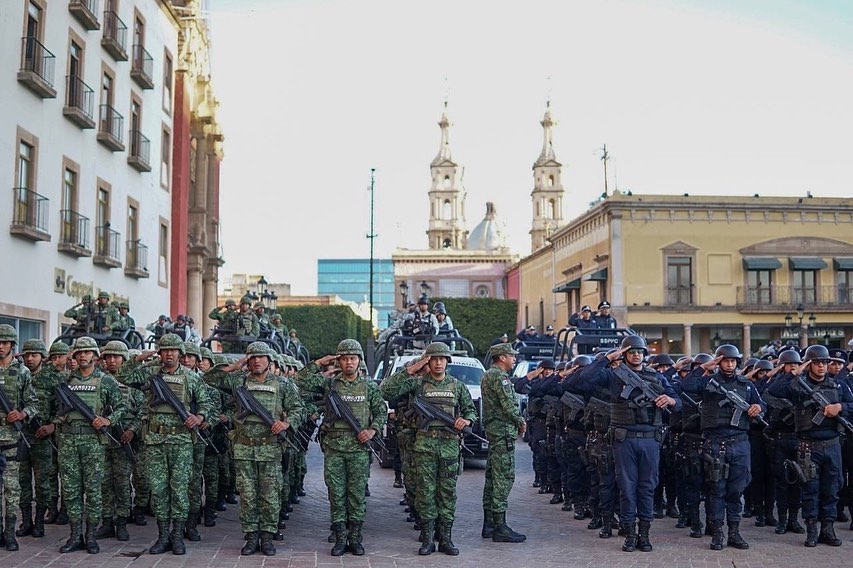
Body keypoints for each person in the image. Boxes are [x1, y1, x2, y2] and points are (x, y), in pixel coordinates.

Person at [572, 335, 679, 553]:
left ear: (645, 355)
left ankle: (645, 534)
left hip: (650, 439)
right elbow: (581, 380)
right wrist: (607, 359)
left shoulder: (656, 377)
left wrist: (671, 400)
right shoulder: (613, 376)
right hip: (624, 439)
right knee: (627, 488)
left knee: (647, 488)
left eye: (639, 351)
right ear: (624, 354)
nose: (636, 355)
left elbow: (678, 402)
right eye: (631, 351)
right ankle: (630, 534)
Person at [115, 333, 213, 555]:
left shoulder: (191, 377)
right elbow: (123, 376)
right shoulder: (150, 374)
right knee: (158, 490)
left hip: (181, 442)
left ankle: (177, 536)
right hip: (155, 442)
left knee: (179, 489)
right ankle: (162, 536)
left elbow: (206, 404)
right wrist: (138, 358)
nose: (169, 353)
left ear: (180, 353)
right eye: (165, 350)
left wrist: (198, 417)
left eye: (173, 350)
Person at [207, 342, 305, 556]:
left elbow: (298, 409)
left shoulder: (283, 384)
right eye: (252, 357)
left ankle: (267, 537)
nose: (256, 361)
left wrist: (287, 423)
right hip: (244, 450)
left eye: (261, 357)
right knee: (248, 496)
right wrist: (234, 366)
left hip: (270, 449)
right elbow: (209, 378)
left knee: (270, 496)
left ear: (269, 361)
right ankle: (251, 537)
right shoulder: (239, 381)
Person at [380, 342, 477, 555]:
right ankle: (428, 539)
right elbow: (386, 390)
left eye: (442, 359)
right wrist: (412, 369)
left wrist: (466, 420)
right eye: (434, 359)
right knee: (426, 493)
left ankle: (446, 539)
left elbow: (471, 411)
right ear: (428, 361)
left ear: (447, 362)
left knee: (447, 494)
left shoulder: (457, 386)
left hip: (450, 446)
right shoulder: (417, 384)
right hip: (424, 447)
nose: (439, 362)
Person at [296, 340, 386, 556]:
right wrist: (319, 363)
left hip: (358, 448)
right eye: (344, 358)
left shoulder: (369, 387)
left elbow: (381, 411)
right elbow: (301, 380)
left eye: (352, 358)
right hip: (334, 447)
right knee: (336, 494)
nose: (348, 362)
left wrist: (372, 430)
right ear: (339, 361)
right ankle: (340, 537)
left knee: (356, 495)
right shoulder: (330, 384)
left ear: (359, 361)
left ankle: (354, 538)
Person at [766, 344, 853, 547]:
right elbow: (771, 392)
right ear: (809, 364)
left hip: (832, 444)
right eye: (817, 363)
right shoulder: (797, 385)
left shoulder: (837, 386)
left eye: (824, 362)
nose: (822, 366)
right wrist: (794, 372)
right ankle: (812, 529)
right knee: (810, 489)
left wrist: (840, 407)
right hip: (808, 446)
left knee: (831, 488)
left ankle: (827, 529)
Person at [681, 344, 766, 551]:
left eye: (733, 361)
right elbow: (685, 386)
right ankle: (717, 533)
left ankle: (734, 533)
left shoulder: (745, 384)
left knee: (736, 491)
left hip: (740, 442)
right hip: (715, 443)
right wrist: (705, 367)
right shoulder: (708, 382)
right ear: (719, 362)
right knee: (716, 489)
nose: (730, 364)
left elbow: (762, 403)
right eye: (726, 360)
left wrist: (758, 407)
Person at [48, 336, 126, 554]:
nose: (82, 355)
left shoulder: (105, 380)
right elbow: (54, 407)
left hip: (93, 442)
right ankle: (75, 536)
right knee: (71, 490)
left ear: (94, 355)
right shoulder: (65, 380)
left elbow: (121, 407)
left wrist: (108, 420)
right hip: (68, 441)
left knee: (93, 490)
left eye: (87, 352)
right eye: (79, 352)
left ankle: (91, 536)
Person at [94, 341, 143, 543]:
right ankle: (107, 522)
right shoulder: (98, 380)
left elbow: (143, 411)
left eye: (116, 357)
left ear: (124, 359)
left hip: (124, 441)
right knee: (104, 483)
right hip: (102, 440)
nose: (112, 360)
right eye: (108, 357)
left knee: (122, 483)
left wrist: (132, 430)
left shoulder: (132, 383)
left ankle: (122, 522)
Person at [16, 339, 64, 540]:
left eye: (34, 355)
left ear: (43, 357)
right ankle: (26, 521)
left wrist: (52, 426)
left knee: (43, 482)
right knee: (22, 481)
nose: (29, 358)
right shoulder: (18, 376)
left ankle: (39, 521)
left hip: (42, 436)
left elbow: (62, 407)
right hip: (19, 435)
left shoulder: (52, 379)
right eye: (27, 355)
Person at [480, 343, 527, 543]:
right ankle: (500, 526)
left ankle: (489, 524)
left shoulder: (487, 375)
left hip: (494, 431)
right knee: (503, 478)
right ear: (501, 357)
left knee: (492, 477)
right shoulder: (500, 378)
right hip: (503, 432)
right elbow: (509, 405)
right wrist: (520, 421)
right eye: (511, 355)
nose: (514, 359)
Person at [0, 324, 38, 552]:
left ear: (12, 345)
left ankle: (10, 533)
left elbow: (34, 404)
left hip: (11, 440)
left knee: (12, 489)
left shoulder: (22, 372)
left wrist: (22, 413)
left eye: (4, 342)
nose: (0, 346)